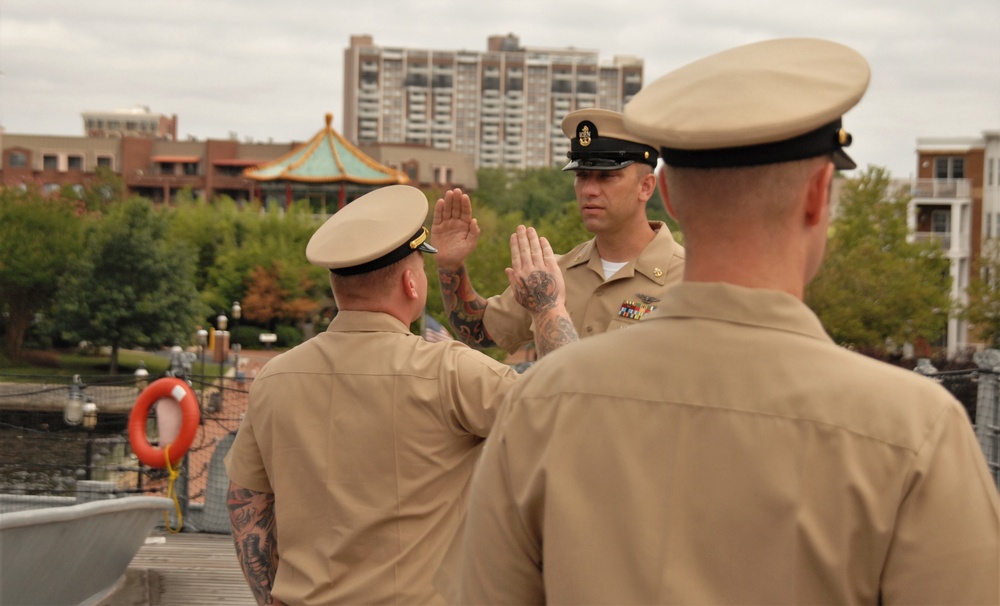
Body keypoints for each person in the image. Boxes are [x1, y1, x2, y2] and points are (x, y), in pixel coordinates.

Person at [454, 38, 1000, 604]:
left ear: (663, 191)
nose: (590, 187)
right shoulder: (916, 433)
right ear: (818, 196)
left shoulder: (534, 409)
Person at [223, 184, 571, 605]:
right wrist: (548, 307)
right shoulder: (451, 373)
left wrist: (270, 597)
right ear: (411, 283)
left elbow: (247, 507)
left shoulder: (273, 379)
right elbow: (570, 408)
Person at [431, 108, 685, 357]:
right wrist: (451, 267)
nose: (589, 190)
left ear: (646, 186)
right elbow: (477, 331)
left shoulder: (688, 279)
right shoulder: (554, 274)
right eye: (582, 175)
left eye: (607, 177)